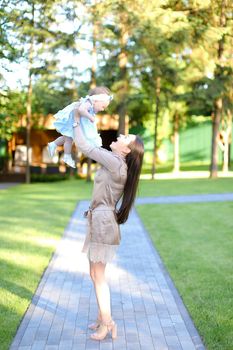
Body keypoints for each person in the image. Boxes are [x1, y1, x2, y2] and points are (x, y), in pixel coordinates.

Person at [72, 111, 144, 341]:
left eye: (126, 137)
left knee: (98, 275)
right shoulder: (117, 163)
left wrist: (75, 119)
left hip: (103, 223)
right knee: (95, 274)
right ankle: (101, 318)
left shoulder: (115, 162)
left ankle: (109, 323)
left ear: (126, 150)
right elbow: (91, 144)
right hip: (100, 220)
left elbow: (86, 146)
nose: (121, 135)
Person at [47, 86, 113, 168]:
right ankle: (65, 155)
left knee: (68, 138)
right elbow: (81, 110)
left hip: (74, 119)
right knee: (69, 137)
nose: (103, 109)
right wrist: (90, 117)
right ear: (96, 100)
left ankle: (56, 146)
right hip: (72, 118)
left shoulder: (90, 103)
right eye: (103, 107)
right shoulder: (88, 103)